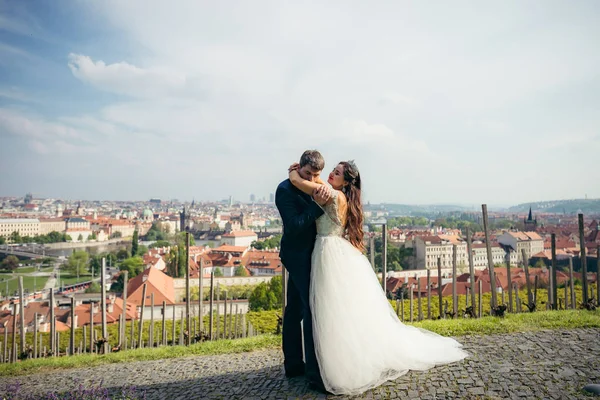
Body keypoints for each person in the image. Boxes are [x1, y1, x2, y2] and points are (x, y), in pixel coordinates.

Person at [287, 159, 469, 396]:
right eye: (333, 170)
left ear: (346, 182)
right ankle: (331, 358)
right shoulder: (340, 195)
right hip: (332, 251)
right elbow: (317, 182)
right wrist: (314, 175)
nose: (331, 173)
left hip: (327, 252)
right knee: (334, 310)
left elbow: (300, 184)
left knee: (330, 309)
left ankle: (333, 363)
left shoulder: (334, 196)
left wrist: (294, 172)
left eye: (337, 172)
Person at [275, 150, 331, 391]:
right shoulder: (284, 190)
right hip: (297, 255)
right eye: (308, 174)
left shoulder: (315, 184)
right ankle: (313, 373)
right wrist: (317, 206)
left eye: (316, 175)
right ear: (300, 168)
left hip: (312, 254)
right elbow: (295, 225)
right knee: (309, 309)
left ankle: (294, 364)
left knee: (295, 308)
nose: (311, 179)